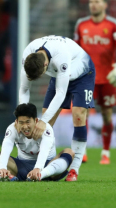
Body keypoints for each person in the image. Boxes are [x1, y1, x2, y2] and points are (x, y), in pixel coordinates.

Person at [19, 35, 95, 181]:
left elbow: (61, 94)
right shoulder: (28, 54)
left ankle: (74, 169)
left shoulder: (60, 56)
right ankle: (42, 163)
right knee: (45, 124)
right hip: (59, 75)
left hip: (83, 72)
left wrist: (43, 121)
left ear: (45, 66)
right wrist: (22, 117)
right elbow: (24, 89)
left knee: (78, 115)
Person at [73, 0, 116, 164]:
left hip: (108, 78)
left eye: (97, 1)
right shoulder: (81, 24)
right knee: (83, 113)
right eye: (91, 2)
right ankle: (83, 151)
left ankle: (106, 152)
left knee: (107, 116)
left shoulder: (113, 24)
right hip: (87, 78)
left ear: (105, 5)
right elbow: (75, 49)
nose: (93, 4)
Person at [0, 103, 74, 181]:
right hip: (21, 167)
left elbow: (44, 150)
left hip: (48, 168)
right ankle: (3, 175)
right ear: (16, 122)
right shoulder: (12, 128)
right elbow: (6, 147)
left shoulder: (45, 128)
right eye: (21, 123)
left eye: (28, 122)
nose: (25, 126)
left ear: (36, 121)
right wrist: (2, 168)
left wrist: (38, 168)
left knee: (69, 152)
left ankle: (39, 175)